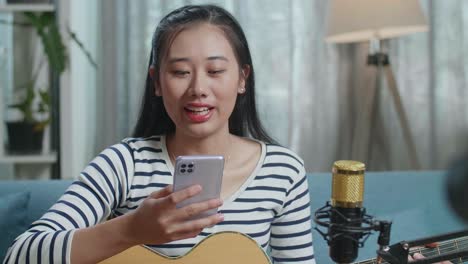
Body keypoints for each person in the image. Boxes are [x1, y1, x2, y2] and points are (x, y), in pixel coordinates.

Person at [3, 4, 314, 264]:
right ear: (156, 81)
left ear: (242, 78)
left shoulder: (283, 171)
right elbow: (19, 255)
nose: (198, 89)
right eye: (180, 72)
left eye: (215, 71)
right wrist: (133, 230)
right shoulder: (124, 164)